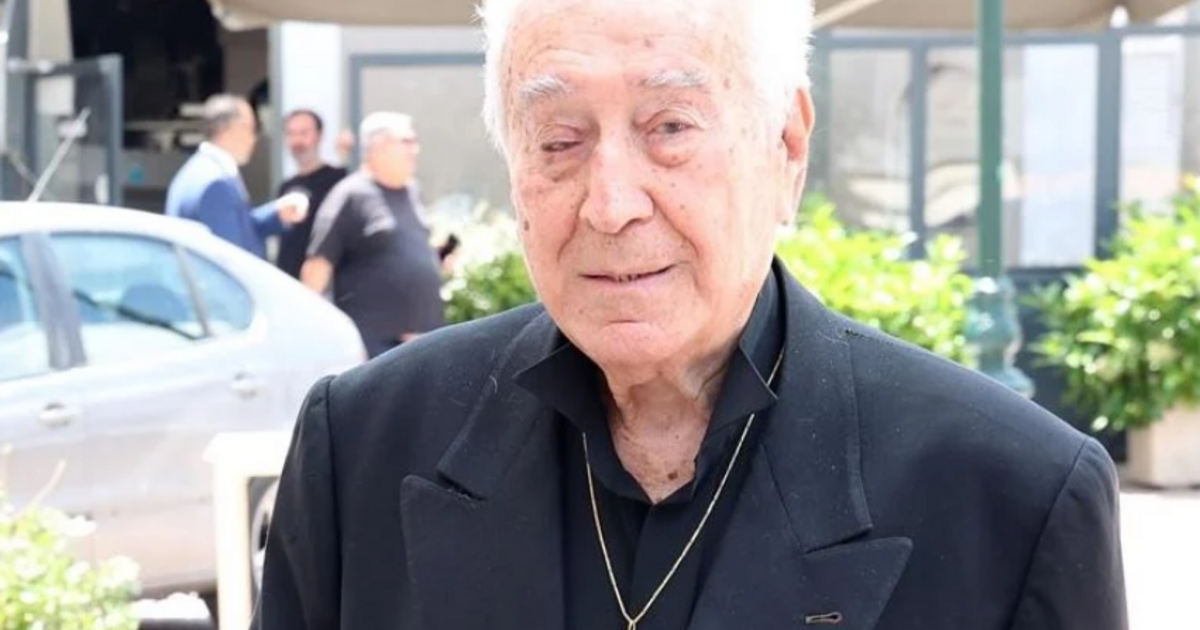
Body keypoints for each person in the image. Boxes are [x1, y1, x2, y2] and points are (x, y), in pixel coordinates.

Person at [255, 0, 1126, 628]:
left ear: (787, 148)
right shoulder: (361, 449)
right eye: (559, 140)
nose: (610, 204)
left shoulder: (1014, 497)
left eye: (670, 127)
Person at [300, 112, 445, 358]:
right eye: (407, 141)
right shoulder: (350, 195)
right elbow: (317, 269)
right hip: (374, 349)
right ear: (378, 147)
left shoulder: (413, 191)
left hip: (423, 343)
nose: (415, 149)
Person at [166, 94, 307, 259]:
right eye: (252, 128)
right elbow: (229, 257)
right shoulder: (216, 183)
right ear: (234, 128)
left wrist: (275, 215)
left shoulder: (197, 170)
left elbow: (233, 227)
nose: (254, 139)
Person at [276, 109, 348, 279]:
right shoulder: (285, 187)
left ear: (319, 136)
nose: (297, 141)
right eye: (291, 134)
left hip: (326, 283)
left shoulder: (339, 180)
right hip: (289, 281)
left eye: (304, 133)